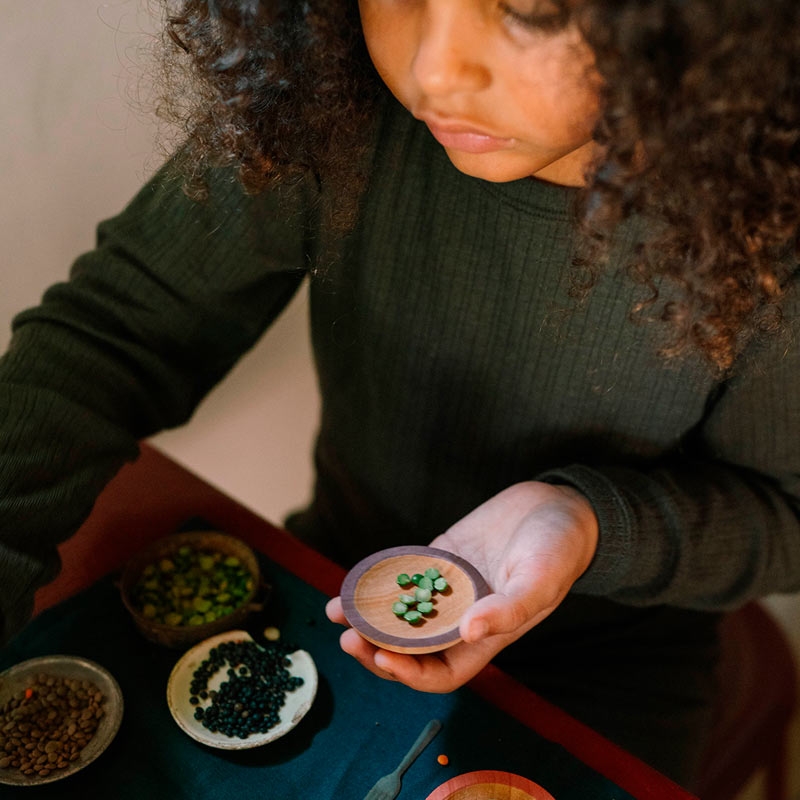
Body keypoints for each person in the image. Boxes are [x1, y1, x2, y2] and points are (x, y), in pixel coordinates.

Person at [1, 0, 799, 788]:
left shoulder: (770, 234)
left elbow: (788, 517)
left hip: (599, 678)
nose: (435, 71)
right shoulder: (330, 101)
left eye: (531, 9)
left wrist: (591, 524)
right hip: (334, 583)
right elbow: (111, 334)